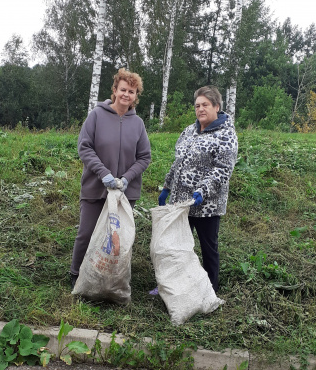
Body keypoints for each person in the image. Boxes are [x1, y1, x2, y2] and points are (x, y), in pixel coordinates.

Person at [70, 68, 151, 289]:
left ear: (136, 96)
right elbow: (85, 148)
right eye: (123, 89)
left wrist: (127, 178)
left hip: (125, 194)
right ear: (114, 91)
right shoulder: (97, 115)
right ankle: (77, 275)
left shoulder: (138, 124)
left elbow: (144, 157)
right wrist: (103, 173)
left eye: (132, 91)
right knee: (86, 233)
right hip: (95, 187)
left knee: (117, 239)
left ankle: (111, 280)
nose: (126, 94)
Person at [156, 85, 238, 293]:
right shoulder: (189, 131)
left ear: (217, 107)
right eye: (197, 105)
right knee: (177, 247)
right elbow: (178, 163)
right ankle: (172, 286)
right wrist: (167, 186)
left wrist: (202, 190)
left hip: (207, 205)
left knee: (208, 248)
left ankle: (210, 290)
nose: (200, 109)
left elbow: (223, 170)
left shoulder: (226, 135)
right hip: (181, 203)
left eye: (205, 105)